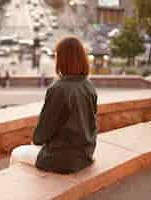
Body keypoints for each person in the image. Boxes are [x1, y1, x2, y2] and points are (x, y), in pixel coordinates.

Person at [10, 37, 98, 174]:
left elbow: (43, 132)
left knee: (17, 153)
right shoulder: (89, 86)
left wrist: (36, 141)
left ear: (62, 60)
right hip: (86, 154)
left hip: (63, 158)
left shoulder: (58, 88)